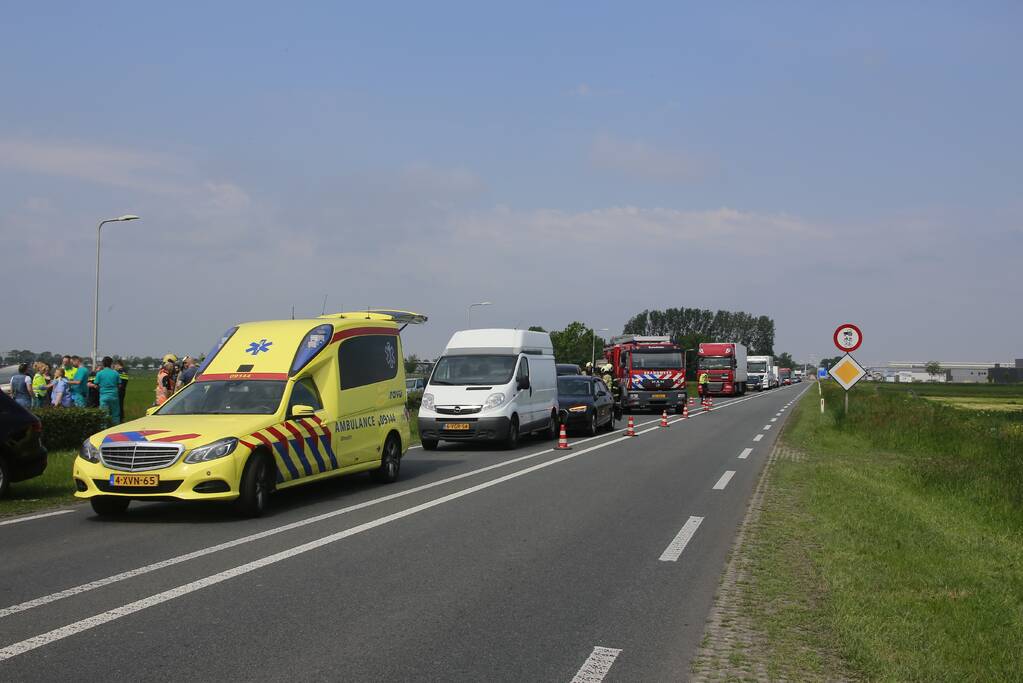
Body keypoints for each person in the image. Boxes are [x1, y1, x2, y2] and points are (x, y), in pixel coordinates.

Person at [93, 356, 122, 424]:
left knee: (104, 415)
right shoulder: (115, 373)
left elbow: (96, 385)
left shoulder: (99, 373)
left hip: (103, 396)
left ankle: (104, 429)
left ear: (103, 364)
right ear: (111, 363)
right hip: (114, 396)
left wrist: (100, 389)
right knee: (115, 415)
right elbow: (120, 385)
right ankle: (115, 428)